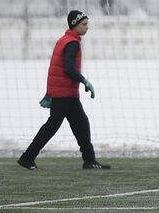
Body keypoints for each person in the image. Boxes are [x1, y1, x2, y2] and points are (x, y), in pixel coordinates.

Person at [18, 10, 110, 171]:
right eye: (84, 24)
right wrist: (84, 81)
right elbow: (68, 69)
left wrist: (51, 91)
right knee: (53, 125)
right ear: (74, 25)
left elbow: (58, 67)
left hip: (65, 92)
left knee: (81, 123)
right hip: (64, 92)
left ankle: (89, 160)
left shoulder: (65, 39)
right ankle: (27, 157)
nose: (87, 27)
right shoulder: (72, 43)